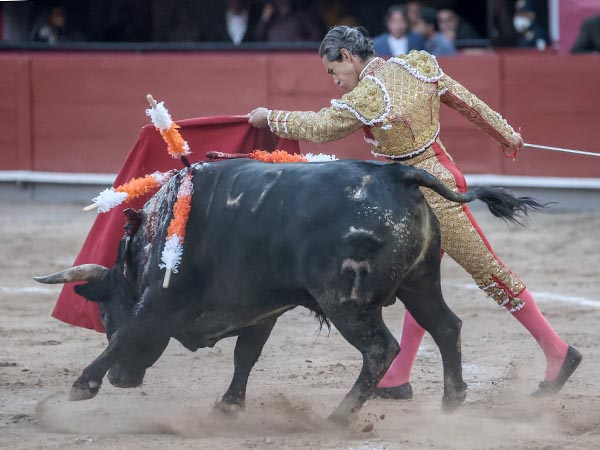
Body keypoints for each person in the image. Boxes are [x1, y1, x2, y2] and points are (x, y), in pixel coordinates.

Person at [247, 25, 581, 400]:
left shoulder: (369, 95)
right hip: (432, 179)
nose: (335, 81)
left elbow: (323, 127)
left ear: (347, 56)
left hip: (435, 196)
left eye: (333, 71)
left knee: (489, 273)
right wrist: (506, 135)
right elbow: (467, 101)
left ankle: (558, 352)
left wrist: (270, 117)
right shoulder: (416, 66)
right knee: (420, 283)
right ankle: (396, 377)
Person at [254, 0, 324, 42]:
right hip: (272, 59)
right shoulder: (270, 19)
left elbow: (316, 35)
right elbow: (258, 37)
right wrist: (265, 18)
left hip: (294, 59)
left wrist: (302, 45)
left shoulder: (300, 16)